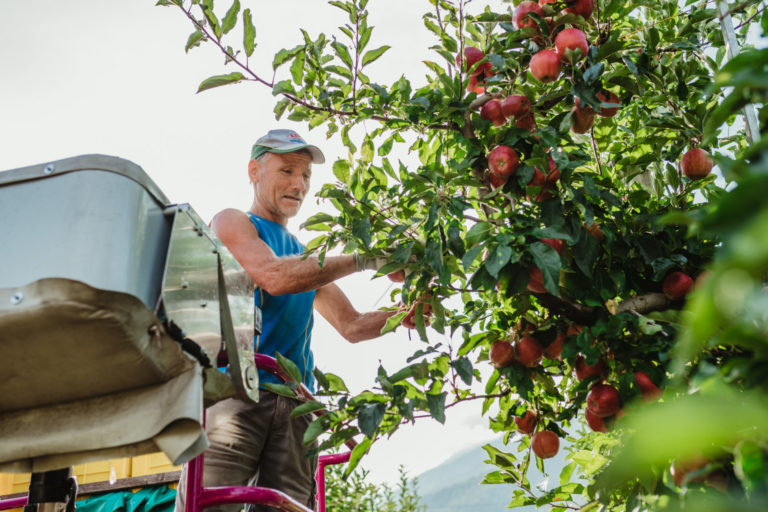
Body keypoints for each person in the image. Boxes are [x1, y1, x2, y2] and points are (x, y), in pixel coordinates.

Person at [174, 129, 398, 512]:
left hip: (296, 405)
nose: (299, 184)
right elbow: (274, 277)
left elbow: (353, 325)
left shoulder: (308, 258)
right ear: (254, 171)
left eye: (307, 176)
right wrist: (368, 258)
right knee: (208, 504)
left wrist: (406, 314)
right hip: (239, 394)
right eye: (288, 171)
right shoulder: (233, 223)